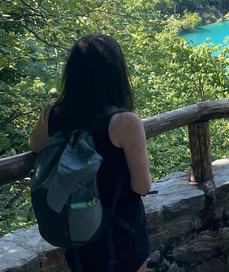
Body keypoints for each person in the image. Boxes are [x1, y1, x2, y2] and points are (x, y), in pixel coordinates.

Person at [29, 34, 153, 272]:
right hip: (121, 230)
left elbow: (35, 145)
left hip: (77, 229)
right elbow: (142, 187)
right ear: (116, 72)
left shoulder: (54, 113)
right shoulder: (124, 122)